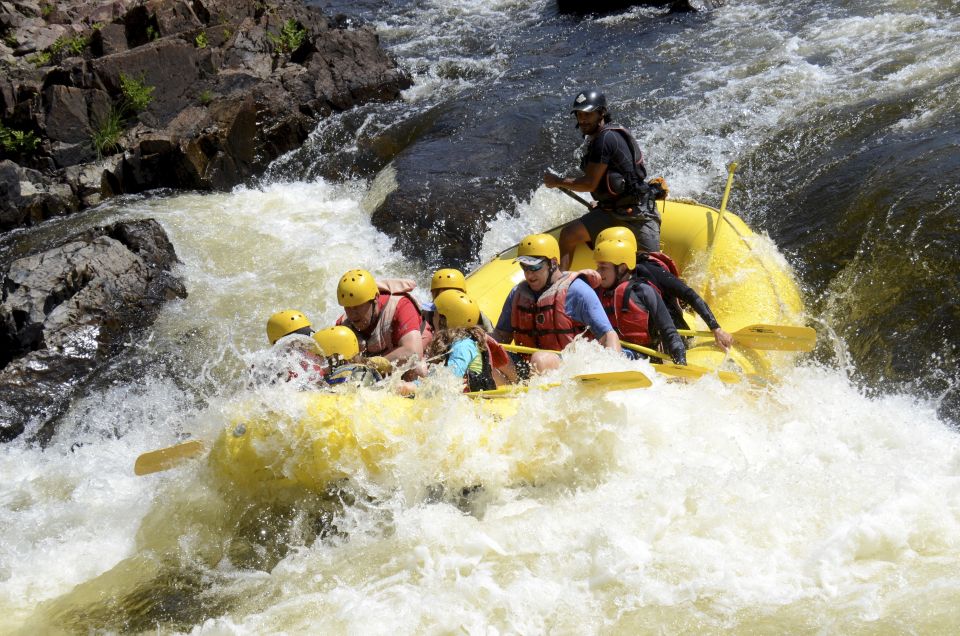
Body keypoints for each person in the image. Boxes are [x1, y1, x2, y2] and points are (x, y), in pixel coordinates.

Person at [542, 90, 667, 268]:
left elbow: (589, 183)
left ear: (602, 113)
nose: (583, 119)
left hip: (637, 215)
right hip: (612, 210)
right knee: (569, 235)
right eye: (579, 114)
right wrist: (601, 205)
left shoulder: (606, 139)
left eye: (588, 114)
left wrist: (557, 181)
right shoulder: (599, 137)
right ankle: (561, 284)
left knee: (654, 268)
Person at [491, 233, 620, 375]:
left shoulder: (577, 291)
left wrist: (613, 370)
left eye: (534, 267)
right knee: (489, 356)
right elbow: (501, 337)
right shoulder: (517, 293)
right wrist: (481, 342)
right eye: (524, 267)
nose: (529, 274)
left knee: (540, 360)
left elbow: (608, 335)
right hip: (527, 368)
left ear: (552, 263)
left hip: (567, 367)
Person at [596, 226, 734, 351]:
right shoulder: (608, 276)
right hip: (633, 340)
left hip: (669, 334)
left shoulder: (650, 270)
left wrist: (716, 328)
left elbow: (688, 294)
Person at [593, 239, 687, 365]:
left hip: (643, 357)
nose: (598, 272)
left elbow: (670, 333)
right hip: (615, 351)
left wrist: (681, 364)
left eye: (603, 267)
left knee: (607, 353)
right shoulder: (597, 293)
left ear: (622, 268)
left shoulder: (643, 291)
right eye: (598, 267)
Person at [335, 269, 433, 369]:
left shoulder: (401, 306)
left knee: (419, 369)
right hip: (379, 361)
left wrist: (370, 366)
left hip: (416, 356)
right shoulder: (343, 325)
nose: (352, 313)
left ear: (375, 299)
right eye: (347, 307)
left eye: (358, 306)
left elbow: (413, 353)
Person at [429, 290, 516, 390]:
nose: (431, 319)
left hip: (476, 401)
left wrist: (415, 387)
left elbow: (449, 379)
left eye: (434, 315)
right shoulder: (459, 342)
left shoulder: (463, 346)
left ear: (444, 320)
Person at [423, 268, 495, 332]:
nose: (451, 297)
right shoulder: (427, 313)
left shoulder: (476, 314)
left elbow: (490, 335)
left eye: (454, 292)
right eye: (446, 292)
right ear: (435, 295)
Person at [312, 325, 385, 387]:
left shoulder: (343, 375)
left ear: (334, 358)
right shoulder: (368, 364)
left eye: (320, 359)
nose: (316, 364)